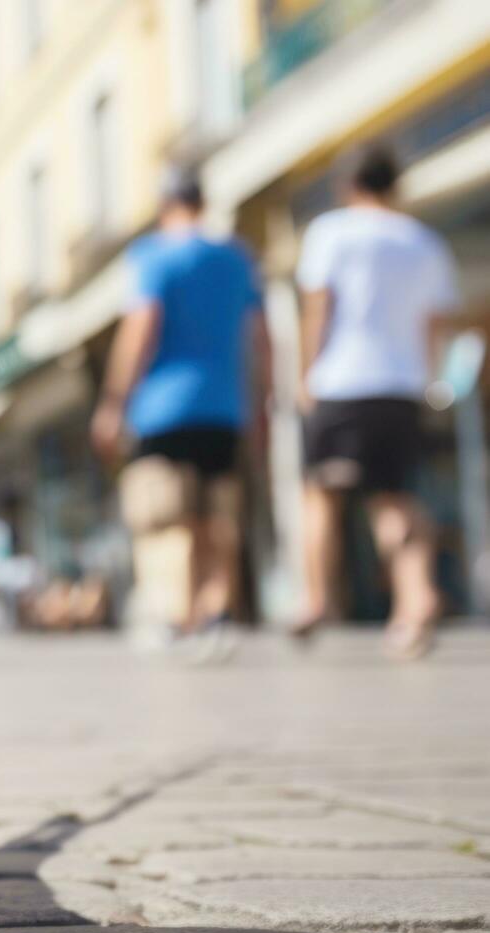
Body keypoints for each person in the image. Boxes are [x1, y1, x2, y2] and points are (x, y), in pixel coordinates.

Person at [91, 168, 266, 654]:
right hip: (225, 408)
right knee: (217, 519)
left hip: (162, 409)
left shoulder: (153, 255)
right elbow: (259, 337)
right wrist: (261, 401)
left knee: (167, 519)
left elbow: (141, 328)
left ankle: (178, 615)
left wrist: (113, 402)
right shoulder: (236, 258)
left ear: (165, 206)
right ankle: (216, 612)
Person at [293, 146, 456, 660]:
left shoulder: (331, 233)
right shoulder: (423, 242)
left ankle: (319, 599)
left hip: (342, 380)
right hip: (401, 386)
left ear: (347, 186)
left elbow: (318, 307)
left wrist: (305, 373)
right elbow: (434, 326)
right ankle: (416, 598)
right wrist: (429, 381)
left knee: (322, 495)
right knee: (393, 497)